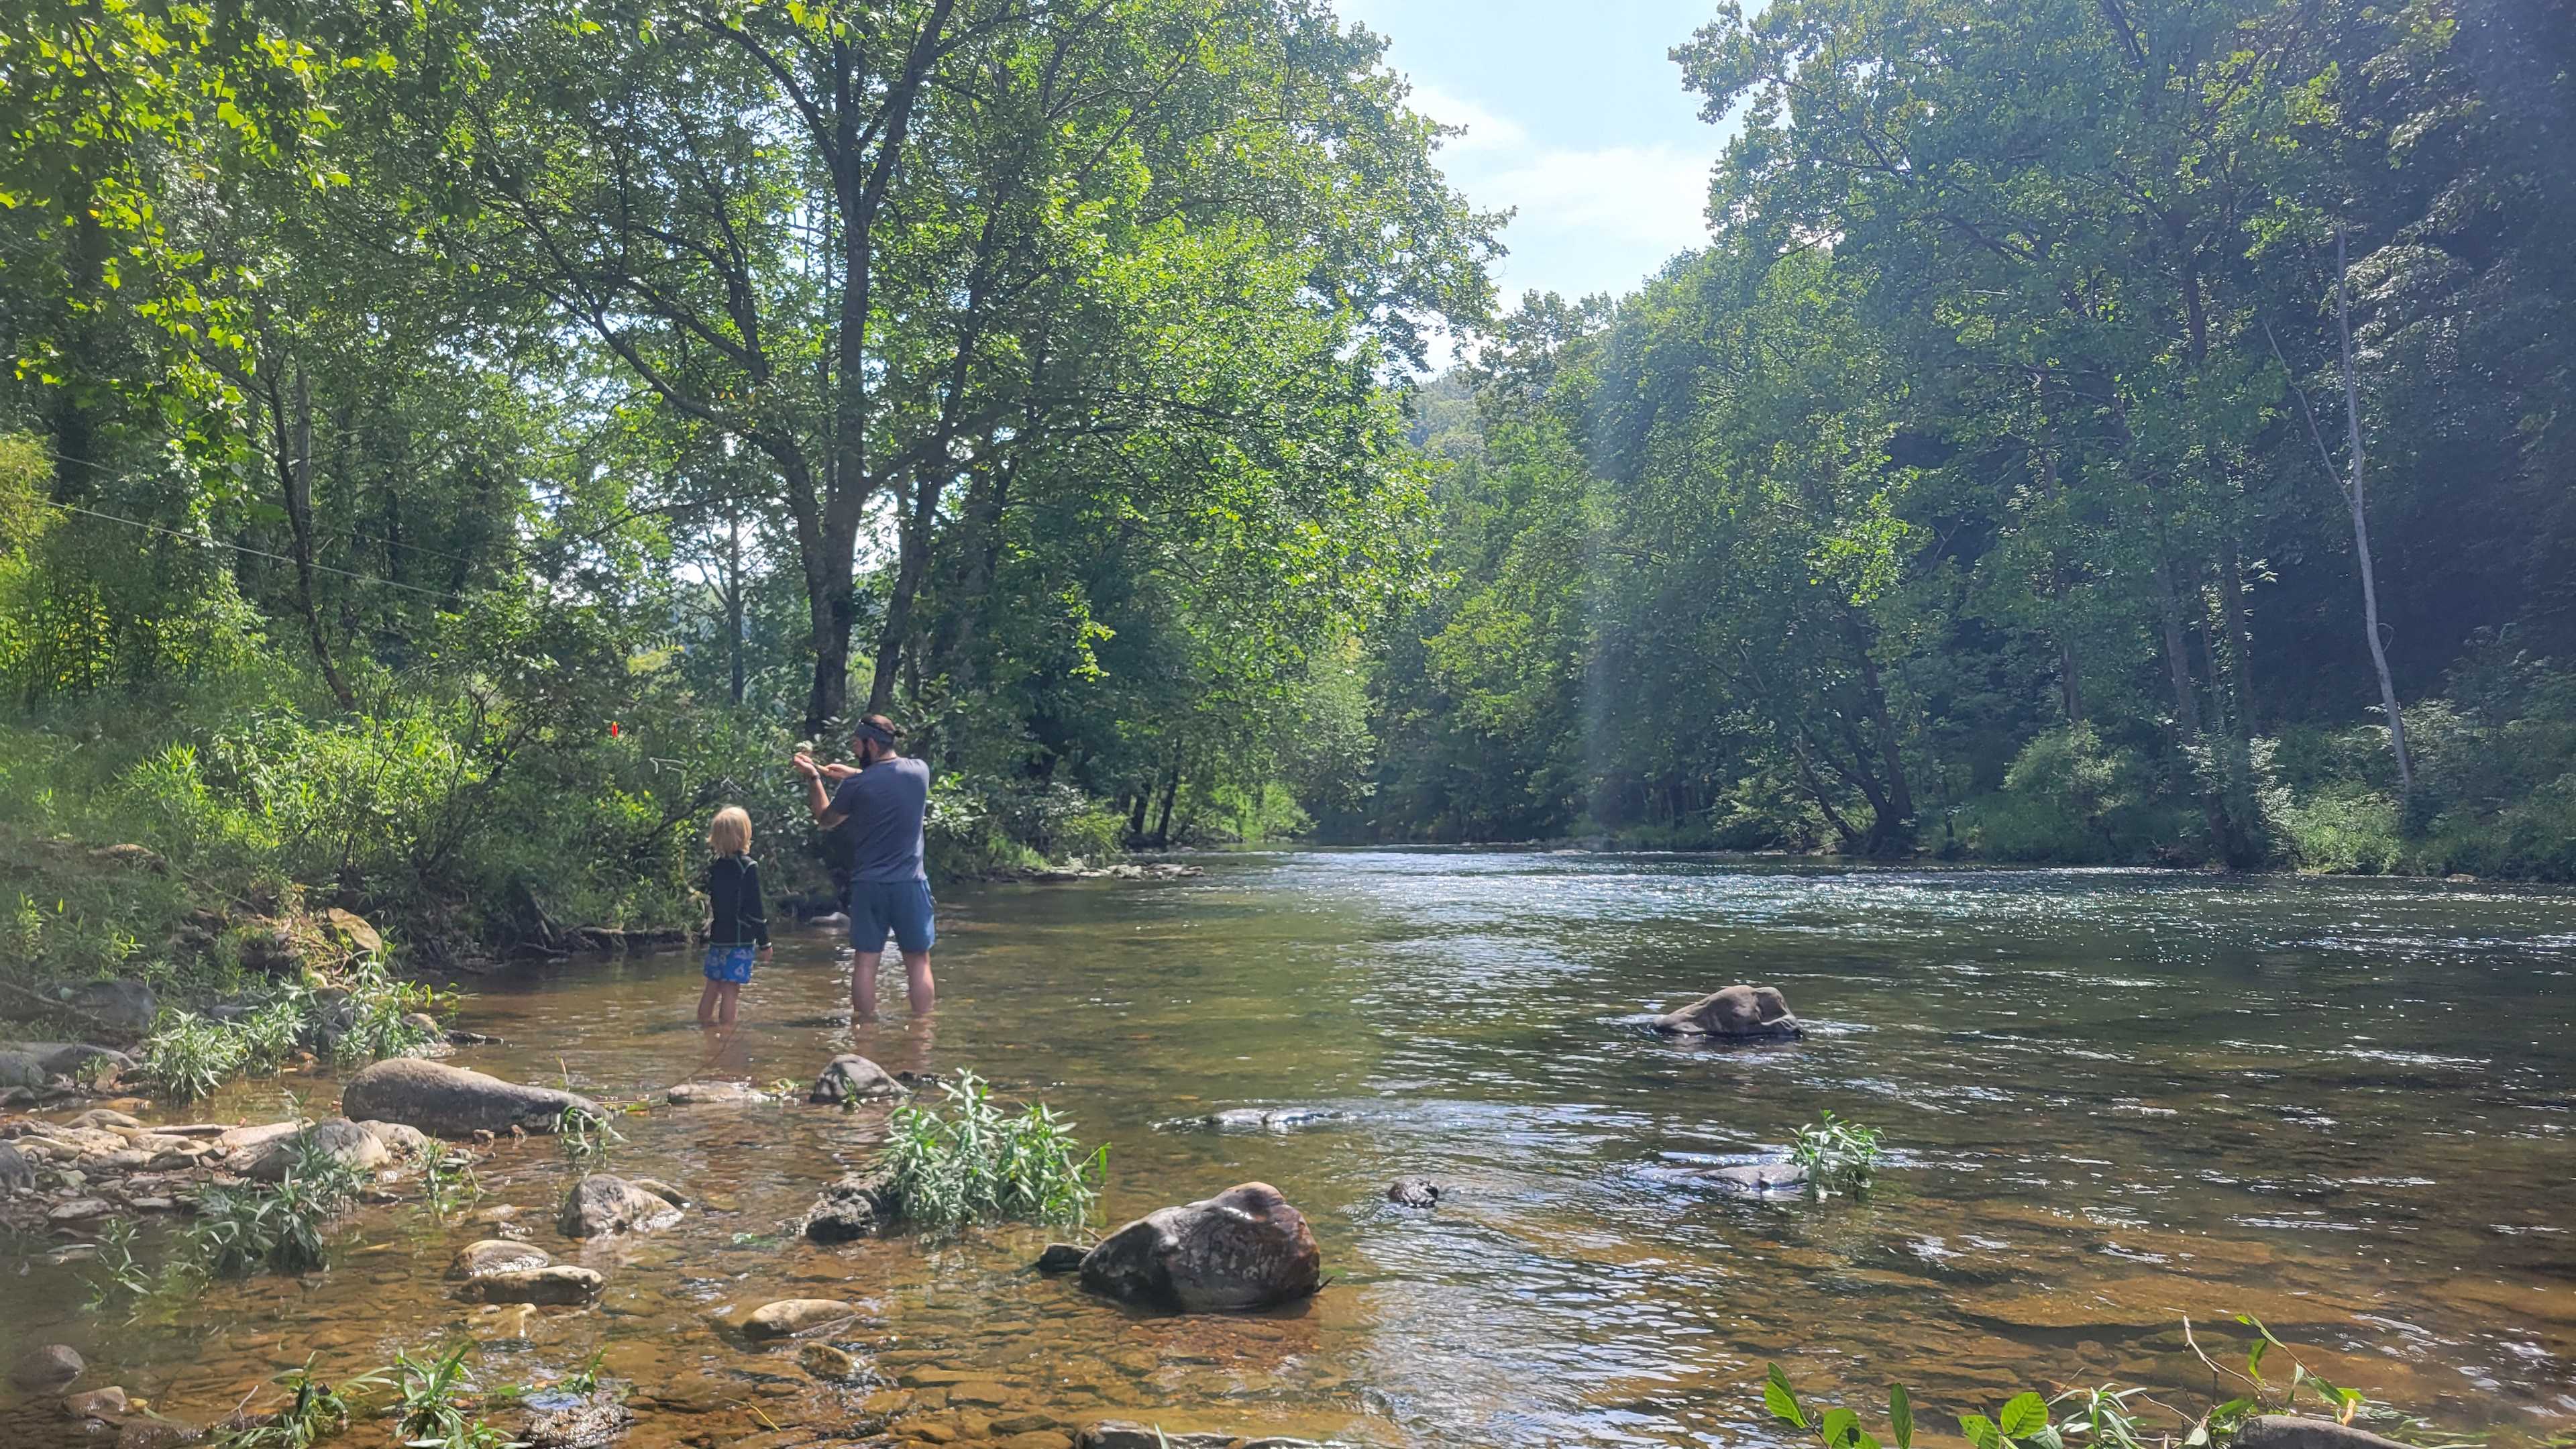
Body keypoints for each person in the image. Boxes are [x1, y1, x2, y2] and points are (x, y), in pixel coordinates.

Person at [796, 714, 936, 1021]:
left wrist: (814, 778)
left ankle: (865, 1034)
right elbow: (888, 779)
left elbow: (825, 820)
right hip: (910, 884)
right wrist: (854, 774)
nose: (855, 750)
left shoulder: (857, 787)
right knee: (918, 962)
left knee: (866, 962)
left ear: (871, 744)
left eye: (857, 745)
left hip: (869, 885)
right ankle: (924, 1032)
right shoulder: (920, 772)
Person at [697, 806, 771, 1027]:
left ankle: (704, 1027)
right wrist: (765, 942)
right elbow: (755, 908)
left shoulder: (716, 867)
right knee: (731, 989)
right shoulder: (748, 867)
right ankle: (725, 1035)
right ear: (744, 835)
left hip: (718, 936)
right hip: (740, 939)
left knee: (712, 984)